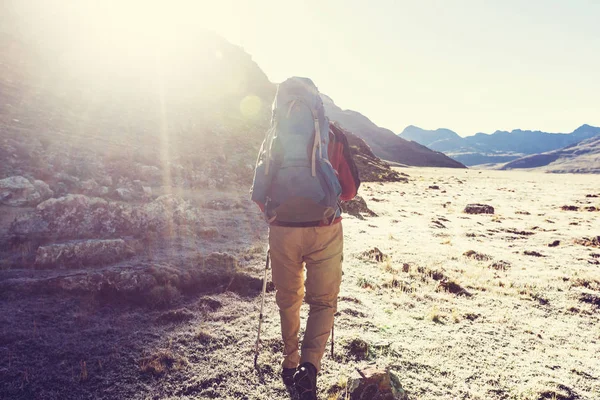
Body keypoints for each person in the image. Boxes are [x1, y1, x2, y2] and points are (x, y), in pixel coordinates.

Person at [251, 77, 359, 400]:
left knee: (289, 296)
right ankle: (308, 371)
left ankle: (290, 362)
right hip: (325, 228)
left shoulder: (274, 134)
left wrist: (278, 214)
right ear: (318, 104)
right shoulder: (331, 134)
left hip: (282, 229)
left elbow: (259, 189)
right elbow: (351, 189)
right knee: (323, 302)